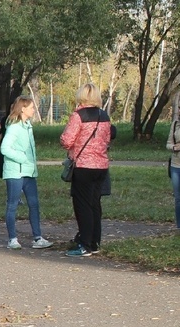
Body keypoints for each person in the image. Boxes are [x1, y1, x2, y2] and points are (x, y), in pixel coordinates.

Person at [60, 83, 116, 257]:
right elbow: (107, 139)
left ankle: (84, 244)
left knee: (82, 204)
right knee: (94, 204)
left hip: (84, 165)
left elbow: (67, 140)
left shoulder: (78, 115)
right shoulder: (104, 115)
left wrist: (63, 139)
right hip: (101, 166)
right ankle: (95, 242)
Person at [0, 95, 52, 249]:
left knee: (34, 204)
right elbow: (5, 148)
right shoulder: (14, 126)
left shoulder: (27, 125)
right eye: (31, 107)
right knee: (12, 205)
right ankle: (12, 239)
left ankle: (37, 238)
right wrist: (21, 158)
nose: (33, 110)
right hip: (15, 172)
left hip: (29, 172)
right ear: (23, 109)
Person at [165, 93, 180, 229]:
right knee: (178, 198)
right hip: (176, 165)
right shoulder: (175, 124)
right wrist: (174, 147)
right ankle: (179, 225)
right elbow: (168, 143)